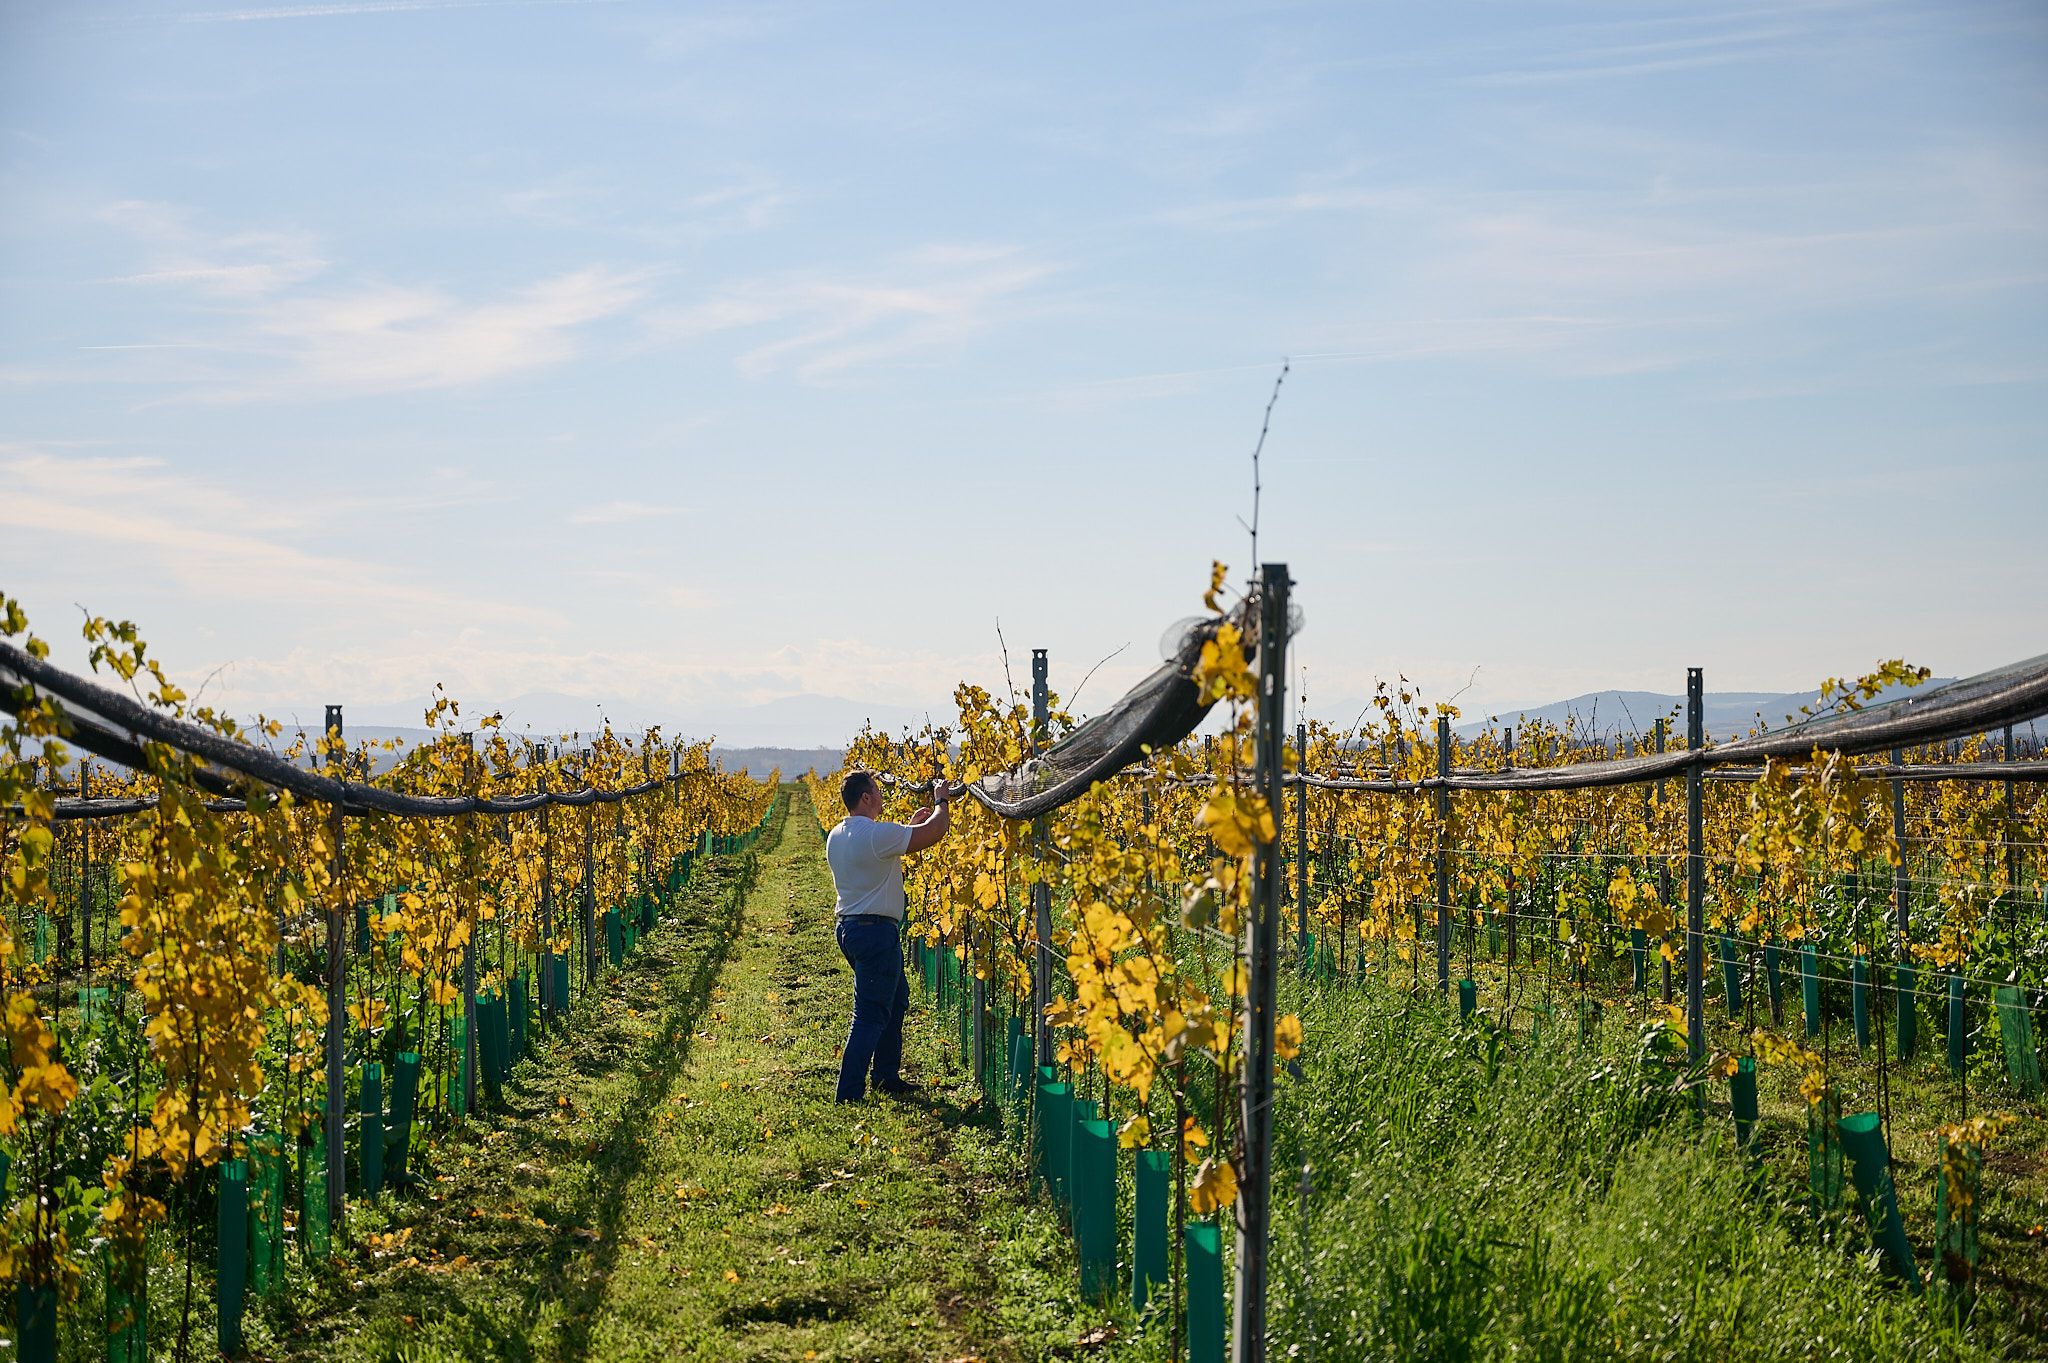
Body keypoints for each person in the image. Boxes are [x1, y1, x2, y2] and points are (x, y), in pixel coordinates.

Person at [825, 770, 951, 1102]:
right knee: (870, 1014)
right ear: (866, 797)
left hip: (850, 930)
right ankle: (849, 1094)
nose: (881, 795)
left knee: (895, 1001)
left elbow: (881, 857)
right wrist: (941, 800)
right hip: (875, 934)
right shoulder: (876, 835)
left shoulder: (837, 834)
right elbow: (935, 831)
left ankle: (885, 1076)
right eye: (876, 791)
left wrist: (909, 826)